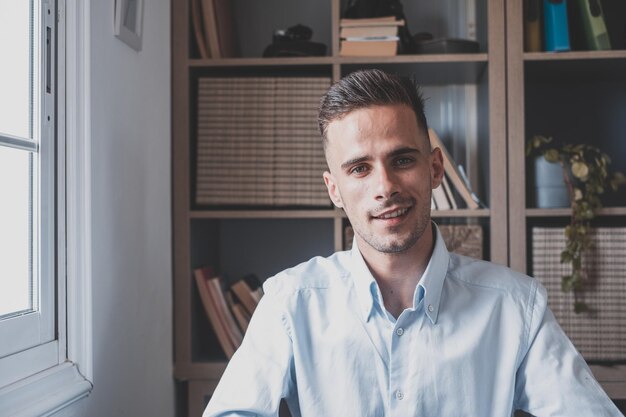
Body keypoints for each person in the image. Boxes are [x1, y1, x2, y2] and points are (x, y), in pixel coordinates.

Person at [204, 69, 622, 416]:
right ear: (334, 190)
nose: (384, 187)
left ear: (434, 168)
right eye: (359, 169)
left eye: (401, 159)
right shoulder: (289, 303)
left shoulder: (517, 307)